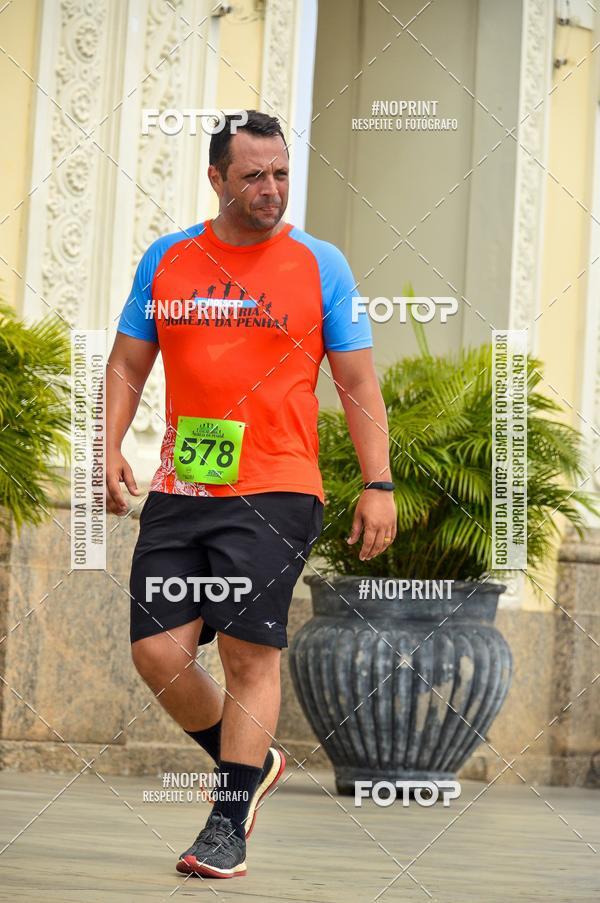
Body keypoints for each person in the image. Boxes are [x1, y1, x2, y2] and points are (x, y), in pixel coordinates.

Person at [106, 109, 397, 879]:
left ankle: (226, 822)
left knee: (246, 653)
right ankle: (251, 760)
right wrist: (104, 447)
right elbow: (128, 364)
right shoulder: (168, 260)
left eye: (280, 174)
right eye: (252, 176)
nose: (270, 191)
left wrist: (378, 481)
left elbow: (358, 381)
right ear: (216, 179)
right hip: (184, 482)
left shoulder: (319, 264)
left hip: (277, 485)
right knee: (157, 651)